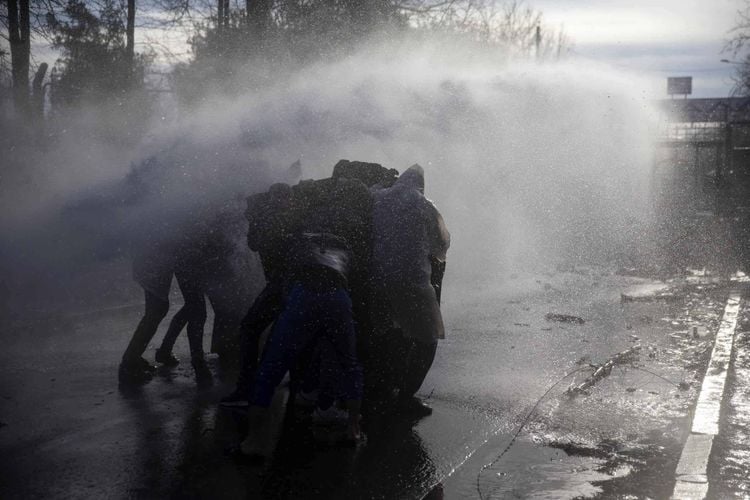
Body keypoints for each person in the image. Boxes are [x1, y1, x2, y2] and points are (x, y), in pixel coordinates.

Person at [239, 231, 364, 457]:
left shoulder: (301, 243)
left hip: (303, 295)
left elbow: (286, 284)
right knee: (349, 363)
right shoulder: (343, 245)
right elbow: (351, 281)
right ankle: (352, 428)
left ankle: (253, 442)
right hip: (338, 297)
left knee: (271, 368)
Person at [370, 164, 450, 417]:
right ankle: (405, 396)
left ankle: (382, 388)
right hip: (413, 281)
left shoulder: (378, 198)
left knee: (390, 332)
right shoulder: (424, 204)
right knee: (428, 339)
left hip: (379, 279)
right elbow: (442, 244)